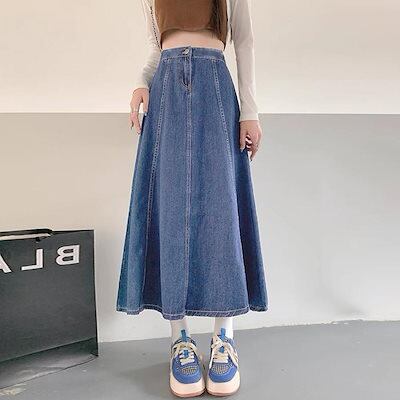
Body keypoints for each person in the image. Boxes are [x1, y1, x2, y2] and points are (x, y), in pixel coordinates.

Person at [116, 0, 268, 397]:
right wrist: (141, 81)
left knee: (221, 211)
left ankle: (224, 337)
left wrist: (250, 112)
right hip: (165, 87)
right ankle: (179, 338)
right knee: (168, 208)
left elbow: (244, 41)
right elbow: (158, 47)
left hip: (215, 85)